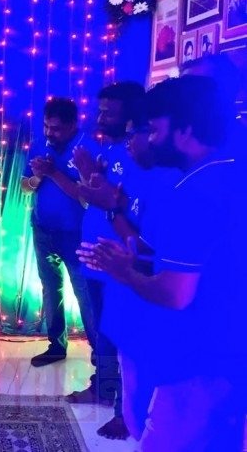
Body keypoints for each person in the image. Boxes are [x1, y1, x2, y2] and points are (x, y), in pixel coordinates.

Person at [79, 76, 247, 451]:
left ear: (184, 130)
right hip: (223, 350)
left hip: (200, 359)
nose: (150, 139)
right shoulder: (229, 172)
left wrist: (123, 271)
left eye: (153, 130)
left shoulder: (197, 192)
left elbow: (175, 294)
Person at [67, 82, 146, 439]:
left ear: (130, 118)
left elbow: (123, 205)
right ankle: (103, 387)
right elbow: (96, 195)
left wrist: (96, 188)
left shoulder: (136, 155)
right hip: (95, 257)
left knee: (120, 334)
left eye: (107, 113)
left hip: (118, 261)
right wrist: (87, 175)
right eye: (99, 111)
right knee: (101, 330)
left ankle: (124, 412)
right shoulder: (111, 148)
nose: (99, 119)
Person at [21, 97, 97, 369]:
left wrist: (52, 172)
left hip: (77, 235)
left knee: (84, 292)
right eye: (46, 126)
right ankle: (56, 345)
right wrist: (37, 177)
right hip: (43, 229)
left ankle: (100, 353)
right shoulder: (40, 145)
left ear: (73, 125)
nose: (49, 133)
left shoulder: (87, 149)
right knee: (51, 289)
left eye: (55, 129)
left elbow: (86, 197)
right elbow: (25, 187)